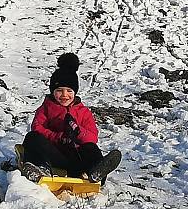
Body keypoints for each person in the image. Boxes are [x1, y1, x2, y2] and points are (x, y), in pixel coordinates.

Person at [21, 52, 121, 184]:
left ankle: (97, 172)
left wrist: (78, 132)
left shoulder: (83, 112)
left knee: (91, 147)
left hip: (76, 159)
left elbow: (93, 136)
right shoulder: (46, 108)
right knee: (32, 137)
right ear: (52, 91)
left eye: (69, 91)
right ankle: (39, 169)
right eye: (59, 91)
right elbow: (37, 127)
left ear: (75, 92)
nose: (64, 95)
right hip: (54, 157)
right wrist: (58, 137)